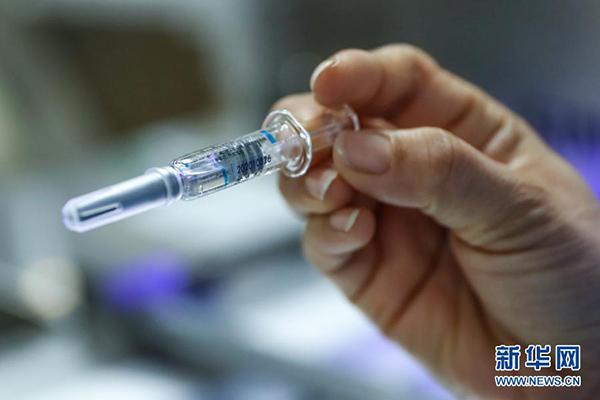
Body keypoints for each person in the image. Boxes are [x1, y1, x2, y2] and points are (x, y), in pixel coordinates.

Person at [273, 44, 600, 399]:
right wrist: (578, 375)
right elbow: (564, 375)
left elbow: (567, 374)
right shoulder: (563, 368)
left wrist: (584, 369)